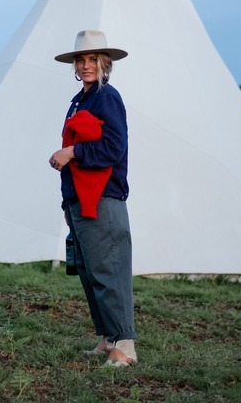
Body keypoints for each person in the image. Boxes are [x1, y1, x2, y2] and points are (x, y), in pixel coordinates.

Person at [48, 29, 137, 368]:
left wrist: (72, 151)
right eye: (80, 60)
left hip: (103, 197)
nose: (85, 65)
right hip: (79, 197)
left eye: (92, 59)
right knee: (90, 270)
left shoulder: (107, 97)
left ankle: (125, 345)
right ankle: (108, 337)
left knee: (108, 269)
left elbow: (114, 148)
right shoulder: (81, 100)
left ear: (105, 63)